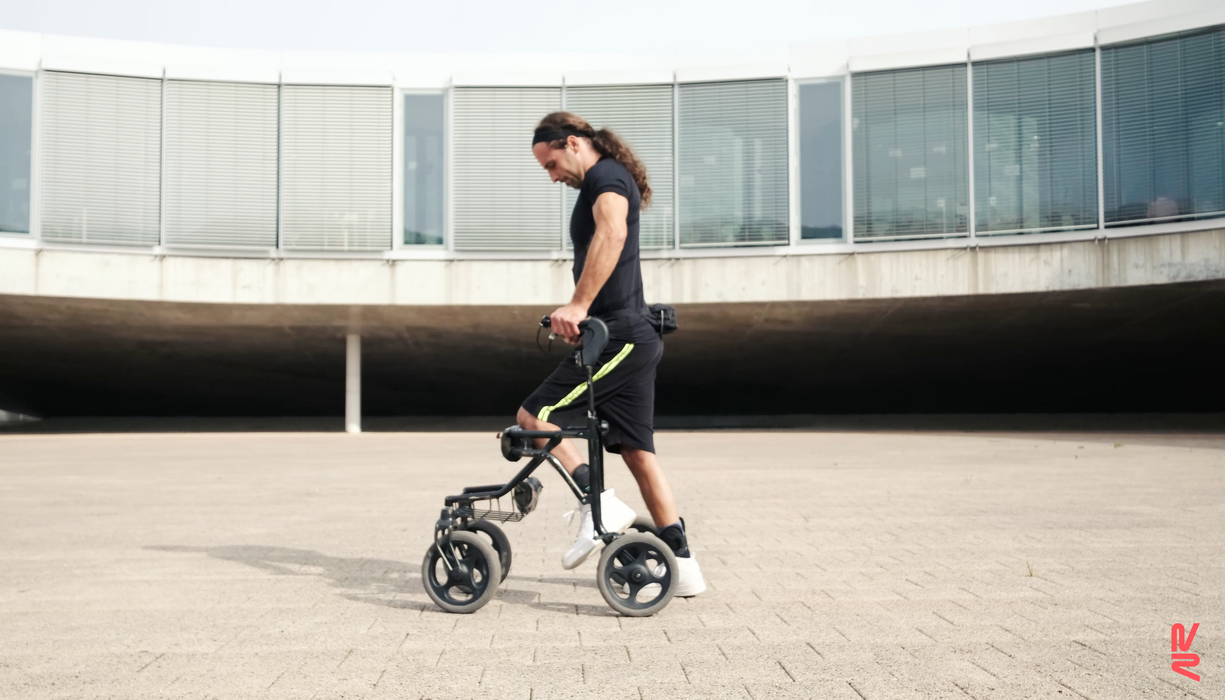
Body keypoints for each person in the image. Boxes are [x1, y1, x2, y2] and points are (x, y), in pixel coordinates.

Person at [517, 112, 705, 597]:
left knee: (535, 416)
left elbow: (613, 234)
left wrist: (579, 306)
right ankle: (682, 567)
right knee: (639, 454)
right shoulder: (604, 179)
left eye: (552, 164)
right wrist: (586, 319)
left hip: (622, 337)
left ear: (573, 143)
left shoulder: (605, 178)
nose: (553, 176)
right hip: (627, 334)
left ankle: (596, 501)